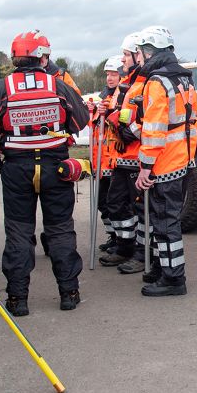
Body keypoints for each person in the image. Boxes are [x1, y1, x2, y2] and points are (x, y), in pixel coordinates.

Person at [0, 30, 89, 314]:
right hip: (56, 166)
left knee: (18, 232)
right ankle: (69, 294)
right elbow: (80, 119)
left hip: (17, 168)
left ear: (15, 57)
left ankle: (18, 300)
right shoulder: (58, 85)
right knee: (60, 230)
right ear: (42, 56)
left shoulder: (0, 88)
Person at [129, 26, 197, 296]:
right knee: (164, 220)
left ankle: (173, 279)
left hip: (164, 164)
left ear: (148, 52)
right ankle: (163, 267)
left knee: (166, 222)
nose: (138, 59)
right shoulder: (184, 78)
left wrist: (145, 167)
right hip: (181, 158)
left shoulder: (157, 82)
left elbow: (154, 129)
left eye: (139, 53)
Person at [103, 34, 149, 271]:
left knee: (140, 209)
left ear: (138, 56)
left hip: (139, 158)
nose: (122, 60)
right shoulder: (128, 83)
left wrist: (126, 129)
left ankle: (142, 255)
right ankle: (124, 247)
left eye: (126, 55)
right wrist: (112, 117)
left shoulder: (144, 83)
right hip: (122, 157)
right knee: (116, 203)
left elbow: (149, 122)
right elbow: (123, 113)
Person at [85, 55, 123, 255]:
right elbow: (95, 127)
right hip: (100, 162)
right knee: (102, 203)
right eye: (108, 74)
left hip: (114, 161)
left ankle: (121, 239)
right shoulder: (104, 96)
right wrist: (92, 112)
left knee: (114, 204)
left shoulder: (121, 96)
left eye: (114, 74)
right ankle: (113, 235)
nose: (109, 78)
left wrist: (107, 112)